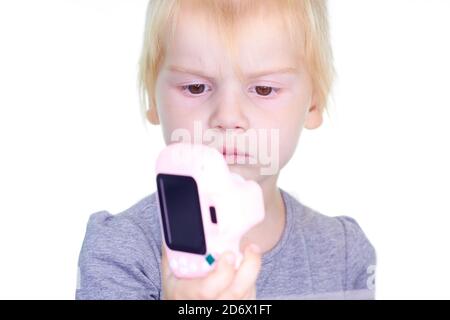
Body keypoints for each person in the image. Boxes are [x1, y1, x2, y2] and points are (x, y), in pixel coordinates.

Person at [76, 0, 376, 300]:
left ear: (313, 103)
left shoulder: (344, 253)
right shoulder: (121, 249)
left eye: (264, 89)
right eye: (195, 87)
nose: (229, 118)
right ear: (153, 99)